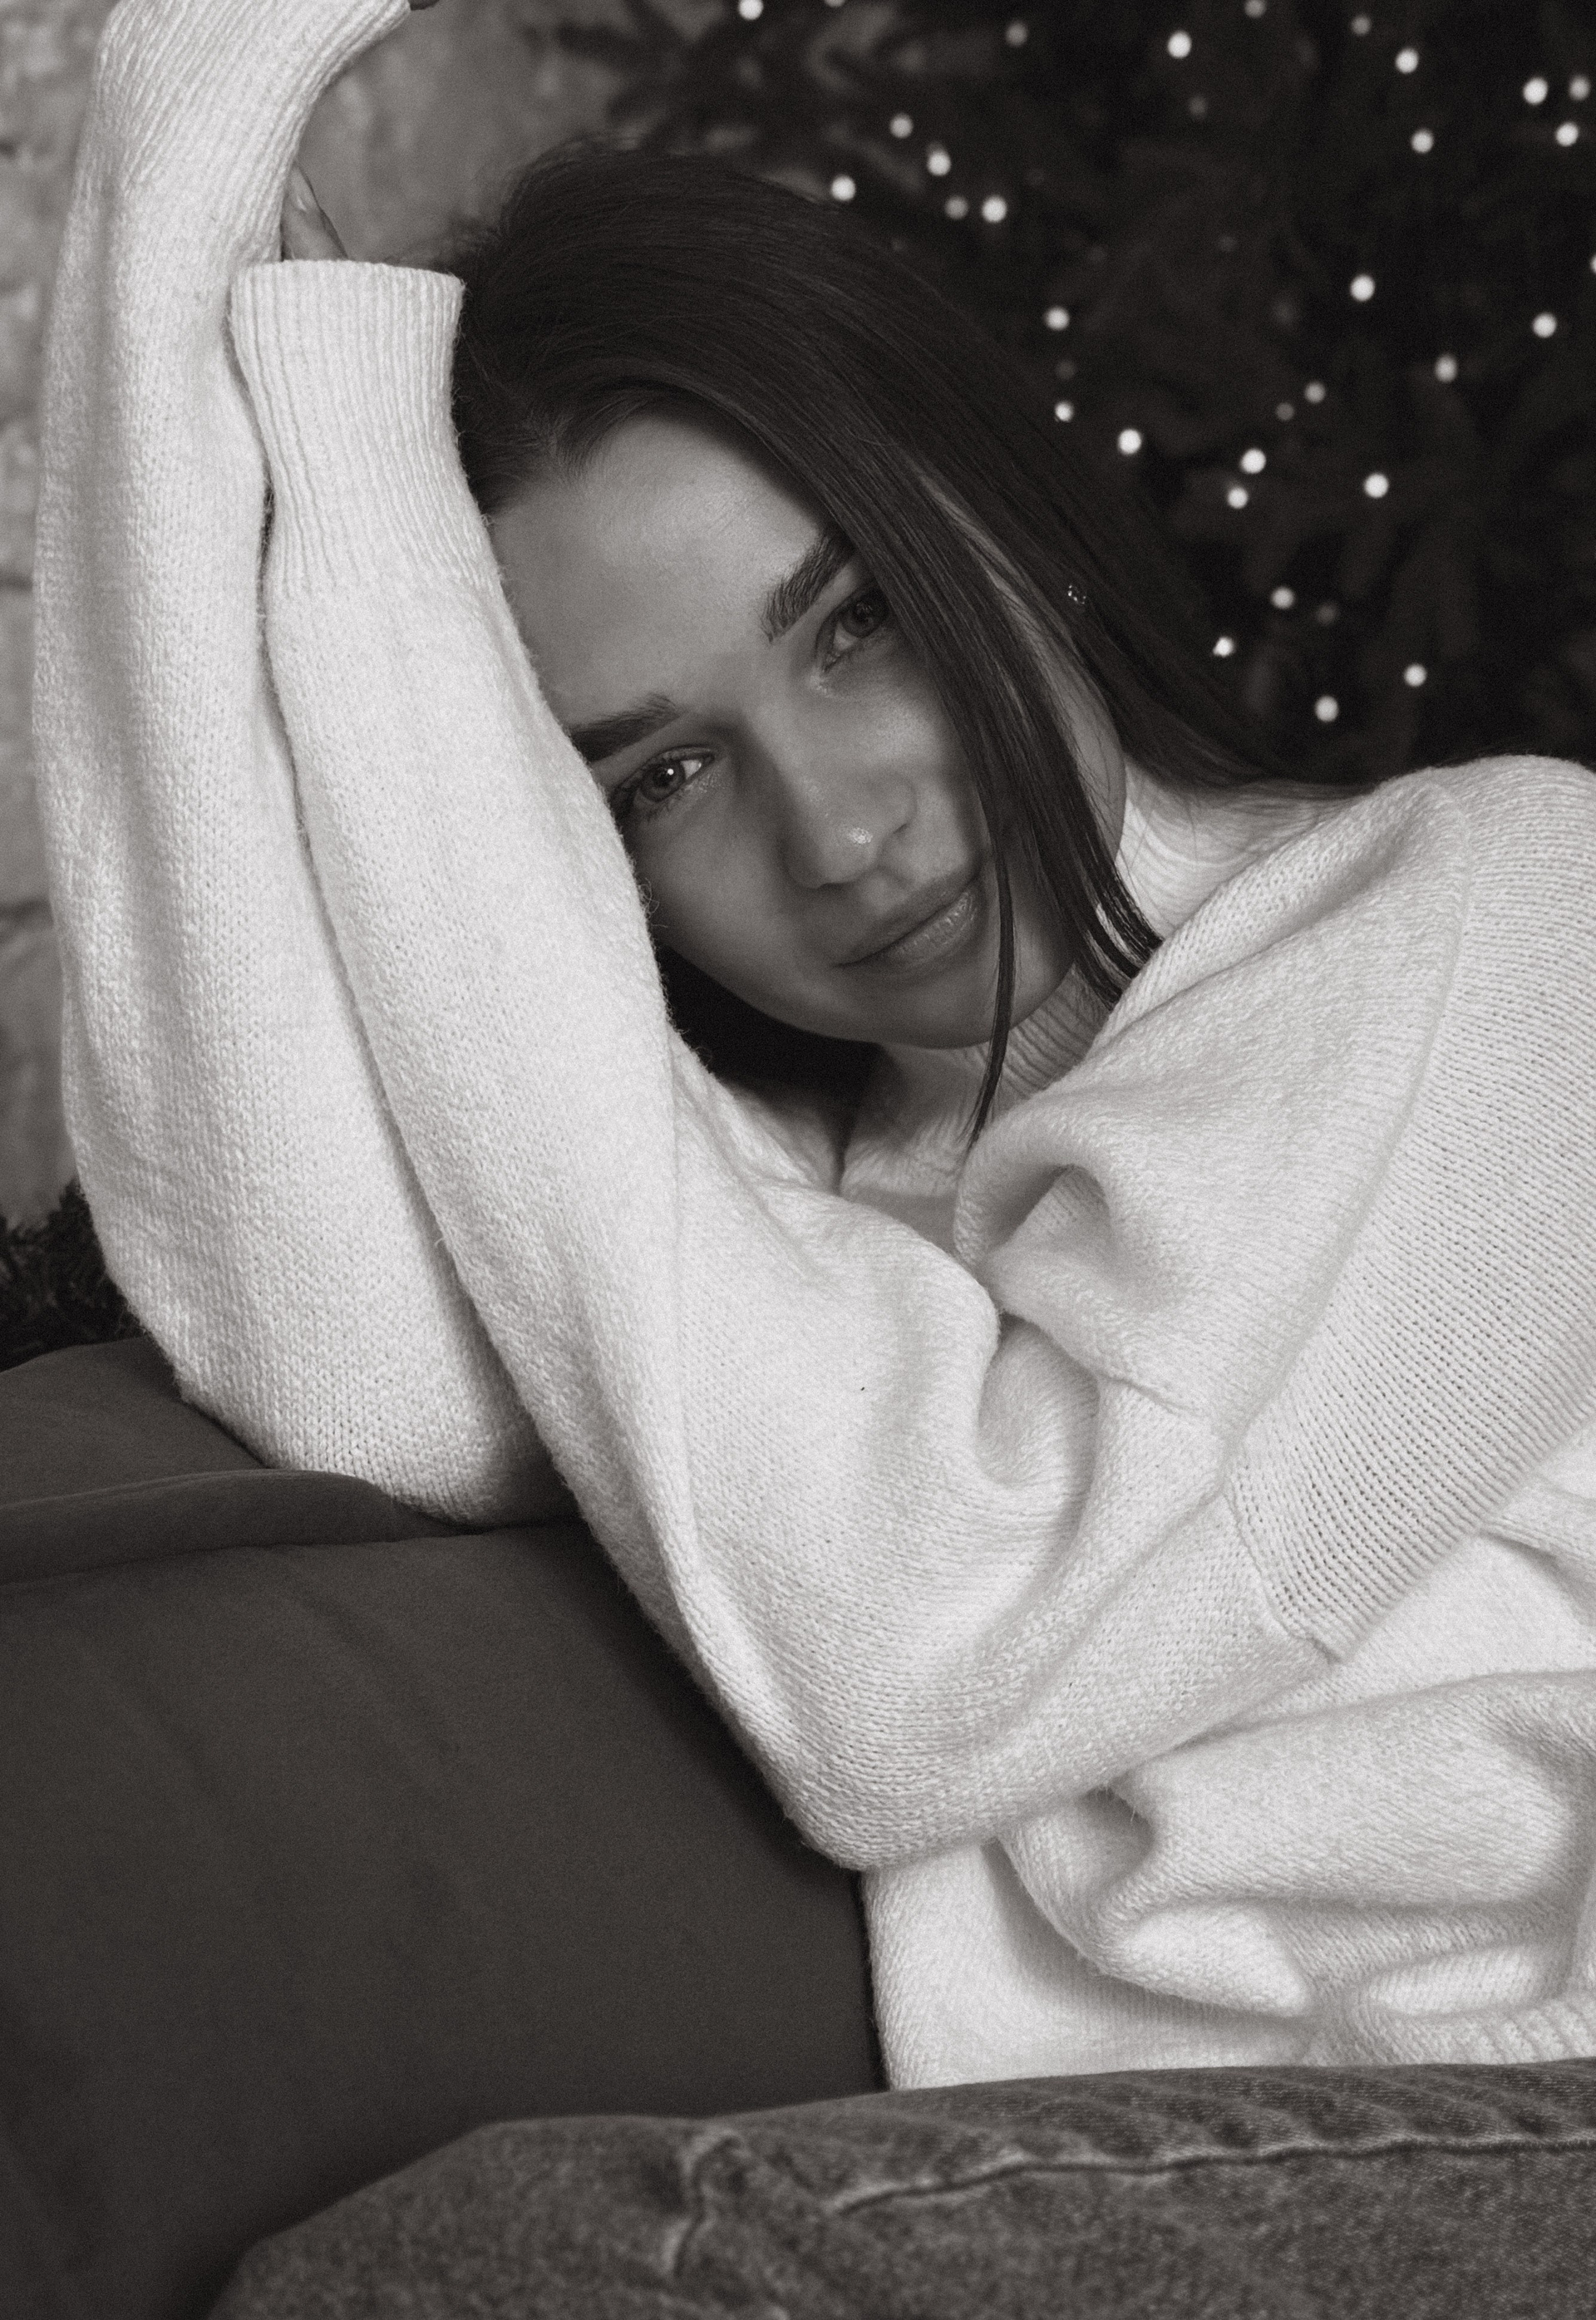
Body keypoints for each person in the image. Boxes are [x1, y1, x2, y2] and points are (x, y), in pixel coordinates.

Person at [33, 0, 1596, 2101]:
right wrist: (181, 250)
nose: (842, 832)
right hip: (1076, 2148)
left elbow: (915, 1674)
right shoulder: (783, 1206)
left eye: (857, 625)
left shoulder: (1502, 917)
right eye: (660, 775)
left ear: (1009, 525)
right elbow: (338, 1350)